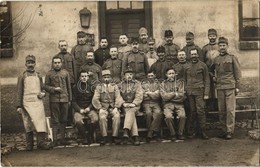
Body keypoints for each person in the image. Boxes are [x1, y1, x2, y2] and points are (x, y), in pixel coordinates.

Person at [17, 55, 52, 151]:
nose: (30, 65)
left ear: (35, 64)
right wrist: (19, 106)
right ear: (25, 64)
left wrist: (43, 94)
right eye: (28, 63)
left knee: (40, 122)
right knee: (28, 123)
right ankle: (29, 144)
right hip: (26, 103)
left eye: (32, 63)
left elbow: (42, 88)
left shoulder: (39, 75)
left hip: (37, 102)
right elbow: (19, 91)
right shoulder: (22, 76)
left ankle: (41, 143)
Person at [211, 37, 241, 139]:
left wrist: (237, 87)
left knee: (230, 110)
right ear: (218, 47)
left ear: (227, 46)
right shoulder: (216, 59)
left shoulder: (232, 58)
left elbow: (238, 73)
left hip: (230, 87)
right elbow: (210, 70)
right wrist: (213, 77)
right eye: (220, 45)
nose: (222, 47)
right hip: (219, 87)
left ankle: (229, 131)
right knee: (222, 110)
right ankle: (223, 130)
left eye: (224, 45)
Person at [44, 56, 72, 146]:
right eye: (55, 63)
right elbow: (45, 86)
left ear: (61, 63)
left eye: (58, 62)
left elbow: (68, 87)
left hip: (64, 99)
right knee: (55, 120)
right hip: (54, 100)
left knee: (64, 119)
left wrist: (69, 99)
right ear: (52, 64)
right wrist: (54, 89)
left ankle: (62, 139)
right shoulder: (49, 74)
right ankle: (55, 139)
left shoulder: (65, 73)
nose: (57, 64)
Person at [184, 48, 210, 139]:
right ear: (190, 56)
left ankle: (203, 131)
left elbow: (207, 79)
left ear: (198, 55)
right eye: (192, 54)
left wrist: (206, 93)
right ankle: (193, 131)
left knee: (201, 111)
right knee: (192, 111)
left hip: (200, 91)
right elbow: (185, 80)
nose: (194, 56)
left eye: (195, 54)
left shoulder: (203, 65)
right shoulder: (187, 66)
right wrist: (185, 91)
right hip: (190, 92)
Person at [92, 70, 124, 145]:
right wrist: (99, 108)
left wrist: (116, 107)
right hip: (103, 107)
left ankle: (114, 136)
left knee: (117, 116)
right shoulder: (99, 87)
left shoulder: (114, 86)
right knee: (102, 117)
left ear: (111, 78)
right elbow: (95, 99)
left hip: (113, 107)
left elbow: (118, 97)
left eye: (108, 77)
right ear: (102, 78)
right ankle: (104, 136)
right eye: (105, 77)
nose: (106, 79)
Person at [71, 70, 99, 145]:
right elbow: (73, 101)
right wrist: (80, 110)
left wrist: (89, 108)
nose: (84, 78)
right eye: (82, 76)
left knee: (95, 119)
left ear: (88, 77)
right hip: (79, 110)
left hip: (89, 109)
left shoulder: (91, 87)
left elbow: (94, 100)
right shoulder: (75, 88)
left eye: (85, 76)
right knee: (78, 121)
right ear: (80, 77)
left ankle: (90, 135)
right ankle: (85, 137)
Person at [118, 68, 143, 145]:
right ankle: (135, 136)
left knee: (131, 110)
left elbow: (139, 95)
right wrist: (123, 103)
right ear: (124, 76)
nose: (129, 76)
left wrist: (134, 103)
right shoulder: (120, 85)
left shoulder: (137, 84)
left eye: (131, 74)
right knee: (131, 113)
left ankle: (126, 131)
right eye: (127, 74)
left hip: (135, 105)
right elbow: (118, 96)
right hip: (125, 105)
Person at [160, 68, 186, 141]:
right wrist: (174, 94)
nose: (171, 75)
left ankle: (180, 133)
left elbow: (182, 96)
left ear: (175, 74)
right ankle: (173, 134)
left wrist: (169, 96)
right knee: (168, 117)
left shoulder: (180, 83)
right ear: (166, 75)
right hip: (168, 105)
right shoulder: (163, 84)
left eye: (172, 73)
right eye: (169, 74)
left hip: (179, 104)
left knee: (182, 116)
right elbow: (164, 97)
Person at [54, 40, 75, 126]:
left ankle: (70, 121)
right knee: (60, 104)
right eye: (61, 46)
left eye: (65, 45)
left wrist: (75, 82)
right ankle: (61, 123)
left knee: (70, 102)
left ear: (67, 46)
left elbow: (75, 70)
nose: (63, 47)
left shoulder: (71, 57)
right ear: (59, 47)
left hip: (70, 83)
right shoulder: (56, 57)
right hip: (60, 84)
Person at [141, 72, 162, 142]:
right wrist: (153, 93)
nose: (150, 77)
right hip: (146, 103)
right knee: (148, 114)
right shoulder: (143, 84)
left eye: (152, 76)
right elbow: (143, 96)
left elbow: (158, 96)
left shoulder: (158, 84)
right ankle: (155, 133)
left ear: (155, 76)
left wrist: (148, 93)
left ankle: (150, 133)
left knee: (158, 113)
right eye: (149, 76)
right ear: (147, 77)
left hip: (156, 103)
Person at [202, 28, 219, 111]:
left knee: (217, 89)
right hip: (208, 71)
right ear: (208, 37)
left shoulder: (219, 47)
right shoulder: (205, 48)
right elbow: (202, 61)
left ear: (216, 36)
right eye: (210, 36)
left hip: (218, 72)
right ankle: (210, 106)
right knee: (209, 89)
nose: (212, 37)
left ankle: (218, 106)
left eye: (213, 35)